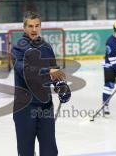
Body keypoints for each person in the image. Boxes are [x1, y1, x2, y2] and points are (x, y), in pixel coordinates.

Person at [11, 11, 71, 156]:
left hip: (45, 107)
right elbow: (26, 72)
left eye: (37, 26)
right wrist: (48, 71)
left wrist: (61, 86)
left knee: (50, 151)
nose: (34, 29)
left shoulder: (46, 47)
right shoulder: (18, 48)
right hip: (25, 109)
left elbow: (55, 72)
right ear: (24, 27)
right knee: (26, 152)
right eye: (30, 26)